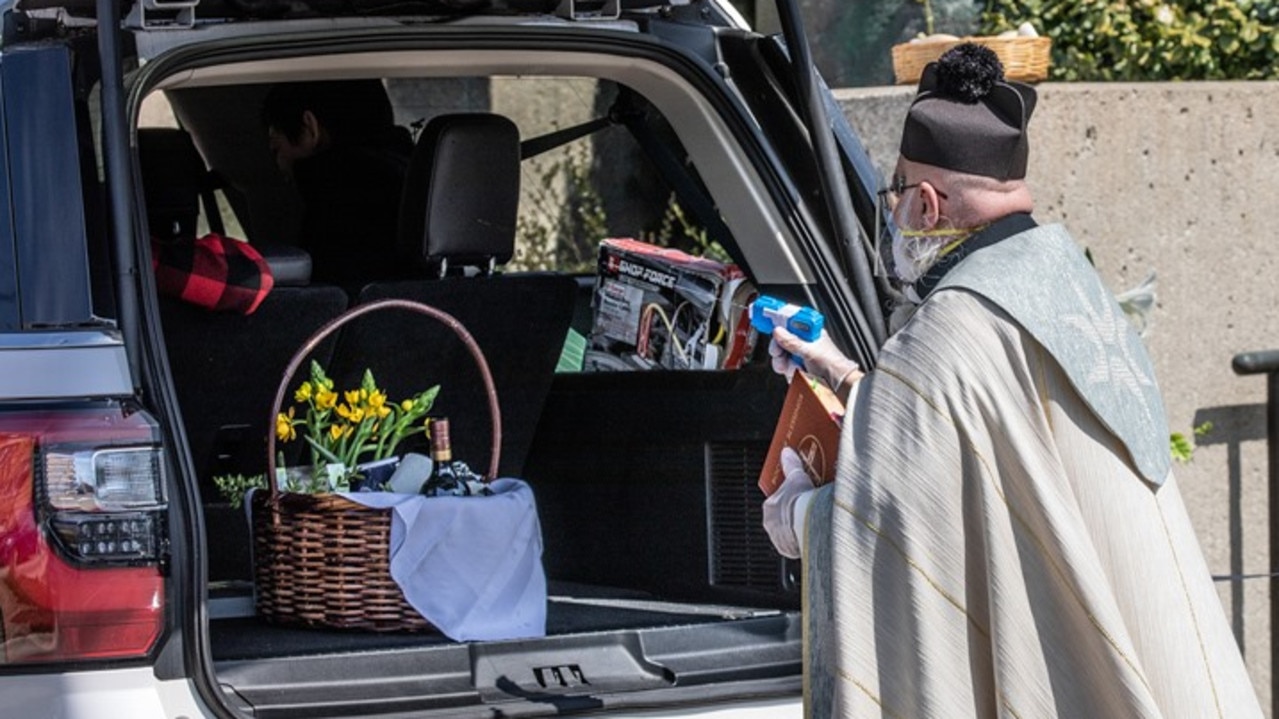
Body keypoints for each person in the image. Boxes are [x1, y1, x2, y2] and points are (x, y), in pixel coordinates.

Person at [763, 43, 1262, 718]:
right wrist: (845, 374)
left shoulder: (953, 324)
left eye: (895, 194)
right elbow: (982, 437)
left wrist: (795, 515)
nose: (892, 216)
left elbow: (893, 523)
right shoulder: (1061, 283)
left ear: (926, 203)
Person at [261, 79, 414, 287]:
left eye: (276, 149)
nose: (279, 166)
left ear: (309, 127)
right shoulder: (417, 185)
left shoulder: (334, 204)